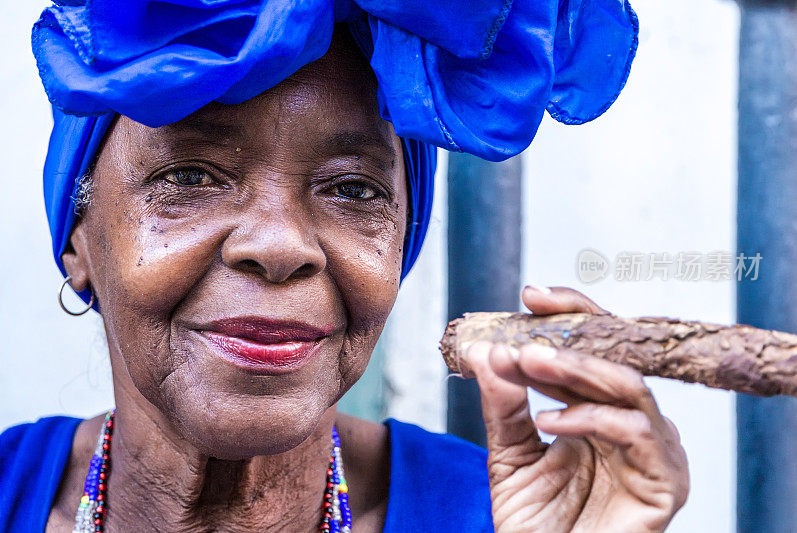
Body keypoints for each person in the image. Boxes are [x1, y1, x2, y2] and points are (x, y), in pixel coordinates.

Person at [0, 1, 689, 531]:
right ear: (79, 240)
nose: (279, 246)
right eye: (191, 175)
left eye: (355, 189)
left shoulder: (510, 516)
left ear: (400, 242)